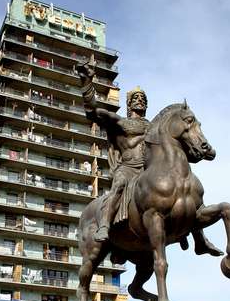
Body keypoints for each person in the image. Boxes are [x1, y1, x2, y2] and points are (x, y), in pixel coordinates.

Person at [77, 61, 222, 256]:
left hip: (149, 170)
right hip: (128, 168)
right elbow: (92, 111)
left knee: (184, 189)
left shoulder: (155, 127)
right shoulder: (120, 122)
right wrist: (87, 81)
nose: (140, 100)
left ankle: (199, 239)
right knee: (119, 185)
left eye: (143, 98)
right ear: (129, 104)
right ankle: (105, 224)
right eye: (136, 98)